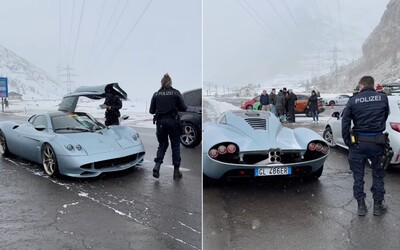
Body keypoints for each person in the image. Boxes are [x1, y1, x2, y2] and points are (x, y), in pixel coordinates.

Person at [342, 76, 389, 216]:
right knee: (378, 175)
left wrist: (348, 142)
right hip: (378, 143)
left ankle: (361, 206)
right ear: (372, 85)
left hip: (358, 144)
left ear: (361, 86)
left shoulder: (353, 100)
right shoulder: (382, 98)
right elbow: (385, 116)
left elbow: (345, 123)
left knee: (358, 177)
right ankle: (378, 206)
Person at [149, 73, 187, 180]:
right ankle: (176, 171)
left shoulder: (156, 94)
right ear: (170, 82)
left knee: (162, 145)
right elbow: (184, 108)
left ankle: (157, 167)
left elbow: (151, 111)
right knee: (175, 146)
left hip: (161, 123)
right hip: (173, 122)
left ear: (161, 83)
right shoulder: (176, 93)